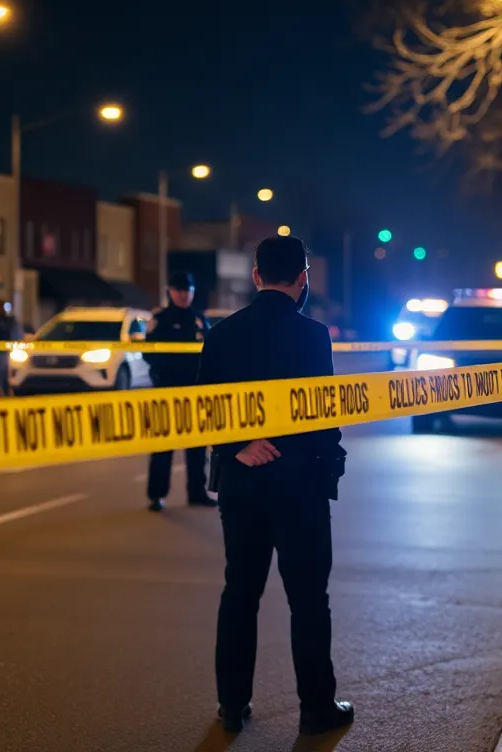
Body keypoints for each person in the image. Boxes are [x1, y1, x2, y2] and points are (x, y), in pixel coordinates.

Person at [198, 235, 354, 736]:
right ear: (303, 278)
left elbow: (202, 409)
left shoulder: (222, 334)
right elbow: (323, 413)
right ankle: (316, 709)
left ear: (257, 276)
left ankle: (231, 706)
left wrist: (236, 447)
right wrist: (329, 464)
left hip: (243, 485)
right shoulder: (313, 336)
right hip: (300, 485)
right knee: (308, 599)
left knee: (240, 592)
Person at [144, 270, 214, 511]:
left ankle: (197, 491)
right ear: (170, 291)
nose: (184, 295)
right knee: (163, 446)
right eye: (179, 290)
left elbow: (210, 353)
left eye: (188, 291)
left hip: (195, 392)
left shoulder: (199, 320)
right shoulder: (160, 320)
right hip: (166, 392)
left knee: (197, 447)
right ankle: (157, 495)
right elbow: (149, 353)